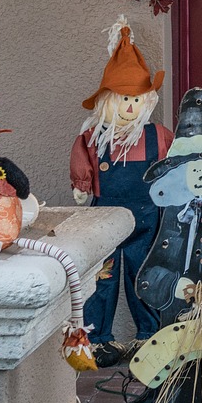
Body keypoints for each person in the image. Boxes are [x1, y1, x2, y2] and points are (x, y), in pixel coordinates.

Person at [70, 18, 170, 343]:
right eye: (123, 99)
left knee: (146, 275)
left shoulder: (158, 136)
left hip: (148, 220)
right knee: (102, 276)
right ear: (108, 101)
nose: (129, 106)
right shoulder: (95, 137)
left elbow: (176, 166)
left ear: (147, 102)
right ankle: (98, 340)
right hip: (104, 219)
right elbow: (81, 159)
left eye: (136, 100)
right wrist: (82, 185)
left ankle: (150, 337)